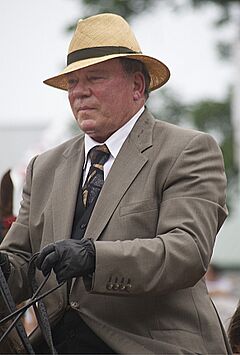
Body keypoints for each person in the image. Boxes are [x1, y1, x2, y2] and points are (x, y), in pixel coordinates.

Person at [0, 12, 232, 354]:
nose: (79, 93)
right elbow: (20, 262)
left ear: (138, 86)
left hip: (149, 345)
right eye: (72, 83)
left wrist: (95, 258)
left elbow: (187, 251)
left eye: (94, 78)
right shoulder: (43, 167)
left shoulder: (188, 150)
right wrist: (5, 268)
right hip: (54, 344)